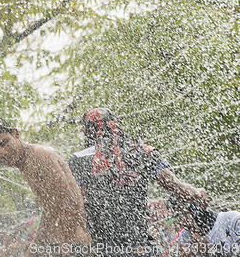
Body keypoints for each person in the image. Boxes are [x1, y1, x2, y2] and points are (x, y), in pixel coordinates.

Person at [69, 108, 209, 256]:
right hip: (139, 246)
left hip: (102, 248)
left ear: (86, 131)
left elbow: (78, 205)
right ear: (115, 124)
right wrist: (198, 193)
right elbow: (178, 188)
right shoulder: (142, 151)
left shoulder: (79, 160)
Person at [0, 117, 92, 257]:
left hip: (72, 245)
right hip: (63, 245)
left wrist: (66, 245)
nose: (2, 153)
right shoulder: (26, 163)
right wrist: (35, 247)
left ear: (15, 133)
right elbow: (51, 209)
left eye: (4, 143)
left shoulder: (38, 155)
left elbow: (68, 201)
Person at [167, 197, 240, 257]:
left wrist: (208, 251)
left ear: (195, 209)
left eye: (184, 214)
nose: (181, 222)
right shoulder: (185, 236)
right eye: (177, 217)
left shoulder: (232, 220)